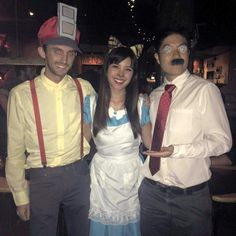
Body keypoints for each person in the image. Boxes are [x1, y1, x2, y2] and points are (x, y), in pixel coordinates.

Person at [6, 16, 95, 236]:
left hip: (80, 174)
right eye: (57, 51)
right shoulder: (21, 95)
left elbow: (102, 122)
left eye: (70, 53)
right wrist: (20, 196)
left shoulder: (84, 88)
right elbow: (15, 151)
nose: (65, 59)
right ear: (42, 52)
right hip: (42, 179)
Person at [139, 28, 232, 236]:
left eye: (182, 48)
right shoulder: (153, 96)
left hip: (190, 200)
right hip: (151, 194)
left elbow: (222, 141)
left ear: (188, 54)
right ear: (157, 57)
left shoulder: (205, 91)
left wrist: (177, 150)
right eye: (168, 48)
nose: (176, 53)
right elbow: (149, 139)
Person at [83, 46, 152, 236]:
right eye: (115, 66)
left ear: (133, 74)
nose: (121, 74)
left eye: (128, 69)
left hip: (132, 175)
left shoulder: (140, 104)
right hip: (102, 177)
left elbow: (150, 144)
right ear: (106, 69)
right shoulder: (91, 103)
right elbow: (81, 144)